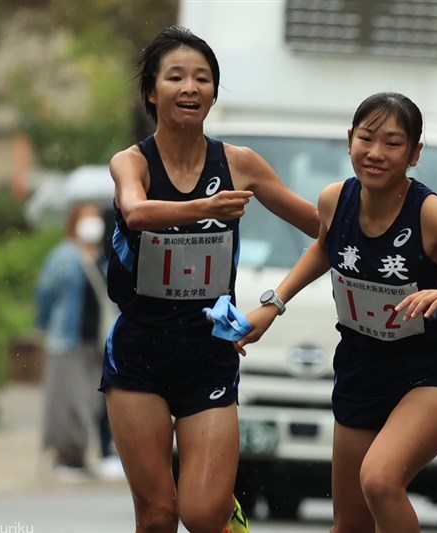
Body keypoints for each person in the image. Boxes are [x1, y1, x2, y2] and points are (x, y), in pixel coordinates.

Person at [234, 92, 437, 533]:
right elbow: (324, 246)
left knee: (379, 480)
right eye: (367, 138)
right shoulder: (334, 200)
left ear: (415, 154)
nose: (376, 153)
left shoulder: (434, 215)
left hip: (429, 372)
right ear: (350, 141)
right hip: (361, 369)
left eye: (393, 143)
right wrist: (274, 304)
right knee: (350, 524)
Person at [101, 26, 319, 533]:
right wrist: (204, 208)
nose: (190, 87)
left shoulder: (240, 164)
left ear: (214, 93)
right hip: (139, 353)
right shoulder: (131, 162)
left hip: (210, 353)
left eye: (202, 78)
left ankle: (226, 512)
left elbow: (326, 232)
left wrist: (275, 302)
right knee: (157, 515)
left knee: (202, 514)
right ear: (152, 92)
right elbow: (134, 213)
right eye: (175, 77)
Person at [36, 202, 112, 481]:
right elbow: (45, 295)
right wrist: (45, 327)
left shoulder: (100, 257)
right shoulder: (65, 255)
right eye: (86, 218)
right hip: (66, 340)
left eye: (95, 218)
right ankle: (65, 457)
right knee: (68, 400)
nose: (92, 223)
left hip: (93, 341)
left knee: (88, 401)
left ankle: (78, 455)